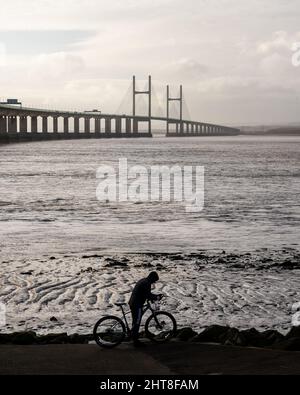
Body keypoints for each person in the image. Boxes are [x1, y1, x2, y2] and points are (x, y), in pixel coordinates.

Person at [129, 271, 162, 347]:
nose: (154, 282)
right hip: (137, 304)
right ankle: (135, 341)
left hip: (133, 302)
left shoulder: (144, 280)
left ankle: (133, 335)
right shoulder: (147, 283)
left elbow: (145, 294)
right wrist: (157, 297)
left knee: (135, 321)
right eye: (154, 280)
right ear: (152, 278)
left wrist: (151, 297)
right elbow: (148, 295)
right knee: (137, 322)